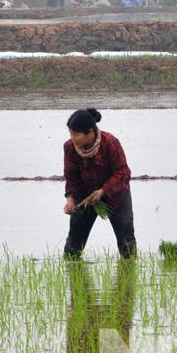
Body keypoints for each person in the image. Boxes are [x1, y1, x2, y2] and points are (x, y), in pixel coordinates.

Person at [62, 109, 136, 259]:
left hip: (115, 193)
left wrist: (102, 191)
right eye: (70, 133)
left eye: (76, 134)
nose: (72, 138)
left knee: (126, 240)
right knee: (73, 245)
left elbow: (123, 173)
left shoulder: (110, 143)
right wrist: (70, 199)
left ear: (90, 132)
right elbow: (72, 177)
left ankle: (129, 266)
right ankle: (71, 267)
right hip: (86, 196)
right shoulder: (70, 147)